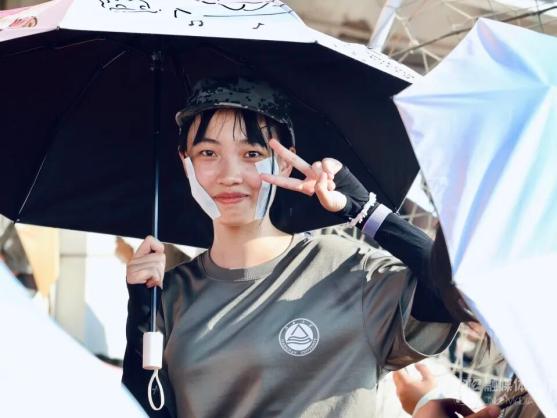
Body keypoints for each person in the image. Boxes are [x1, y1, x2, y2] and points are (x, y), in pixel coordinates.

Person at [123, 77, 461, 418]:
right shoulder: (168, 293)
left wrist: (366, 211)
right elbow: (143, 408)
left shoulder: (350, 271)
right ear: (186, 161)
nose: (230, 175)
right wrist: (141, 312)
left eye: (252, 154)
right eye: (208, 153)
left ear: (285, 162)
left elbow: (454, 292)